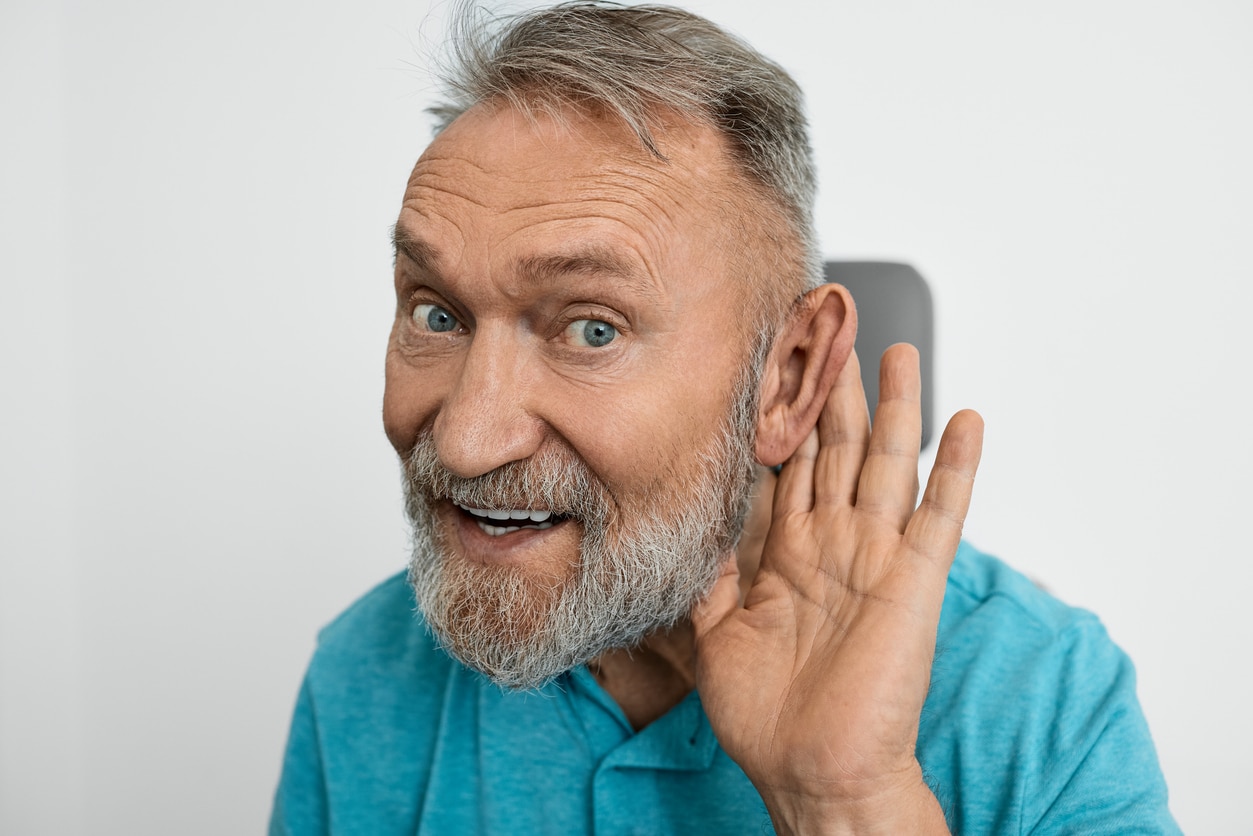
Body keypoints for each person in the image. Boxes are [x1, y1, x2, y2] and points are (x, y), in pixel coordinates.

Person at [270, 3, 1178, 833]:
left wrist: (848, 802)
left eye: (592, 329)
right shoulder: (363, 675)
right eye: (435, 313)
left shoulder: (1038, 696)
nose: (466, 441)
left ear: (784, 380)